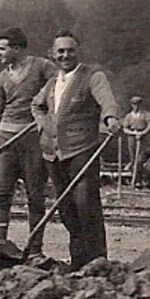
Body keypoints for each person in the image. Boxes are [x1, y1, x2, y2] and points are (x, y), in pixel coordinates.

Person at [30, 32, 121, 269]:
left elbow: (107, 100)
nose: (65, 55)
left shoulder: (92, 76)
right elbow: (37, 105)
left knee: (86, 205)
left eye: (70, 50)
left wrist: (110, 118)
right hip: (53, 153)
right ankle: (79, 260)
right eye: (60, 51)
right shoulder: (52, 83)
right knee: (66, 208)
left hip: (82, 149)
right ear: (52, 54)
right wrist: (42, 123)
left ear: (77, 51)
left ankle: (97, 260)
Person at [0, 27, 56, 260]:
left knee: (35, 196)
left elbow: (59, 85)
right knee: (1, 194)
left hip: (33, 138)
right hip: (6, 140)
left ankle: (35, 250)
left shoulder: (42, 66)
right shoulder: (3, 78)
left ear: (17, 48)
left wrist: (43, 114)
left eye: (2, 48)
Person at [120, 95, 150, 182]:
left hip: (143, 138)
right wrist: (133, 133)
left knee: (140, 159)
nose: (136, 106)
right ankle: (136, 180)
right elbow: (125, 128)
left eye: (138, 104)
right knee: (133, 158)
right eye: (134, 104)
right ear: (131, 105)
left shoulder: (145, 115)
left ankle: (141, 178)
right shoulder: (129, 116)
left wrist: (142, 133)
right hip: (132, 138)